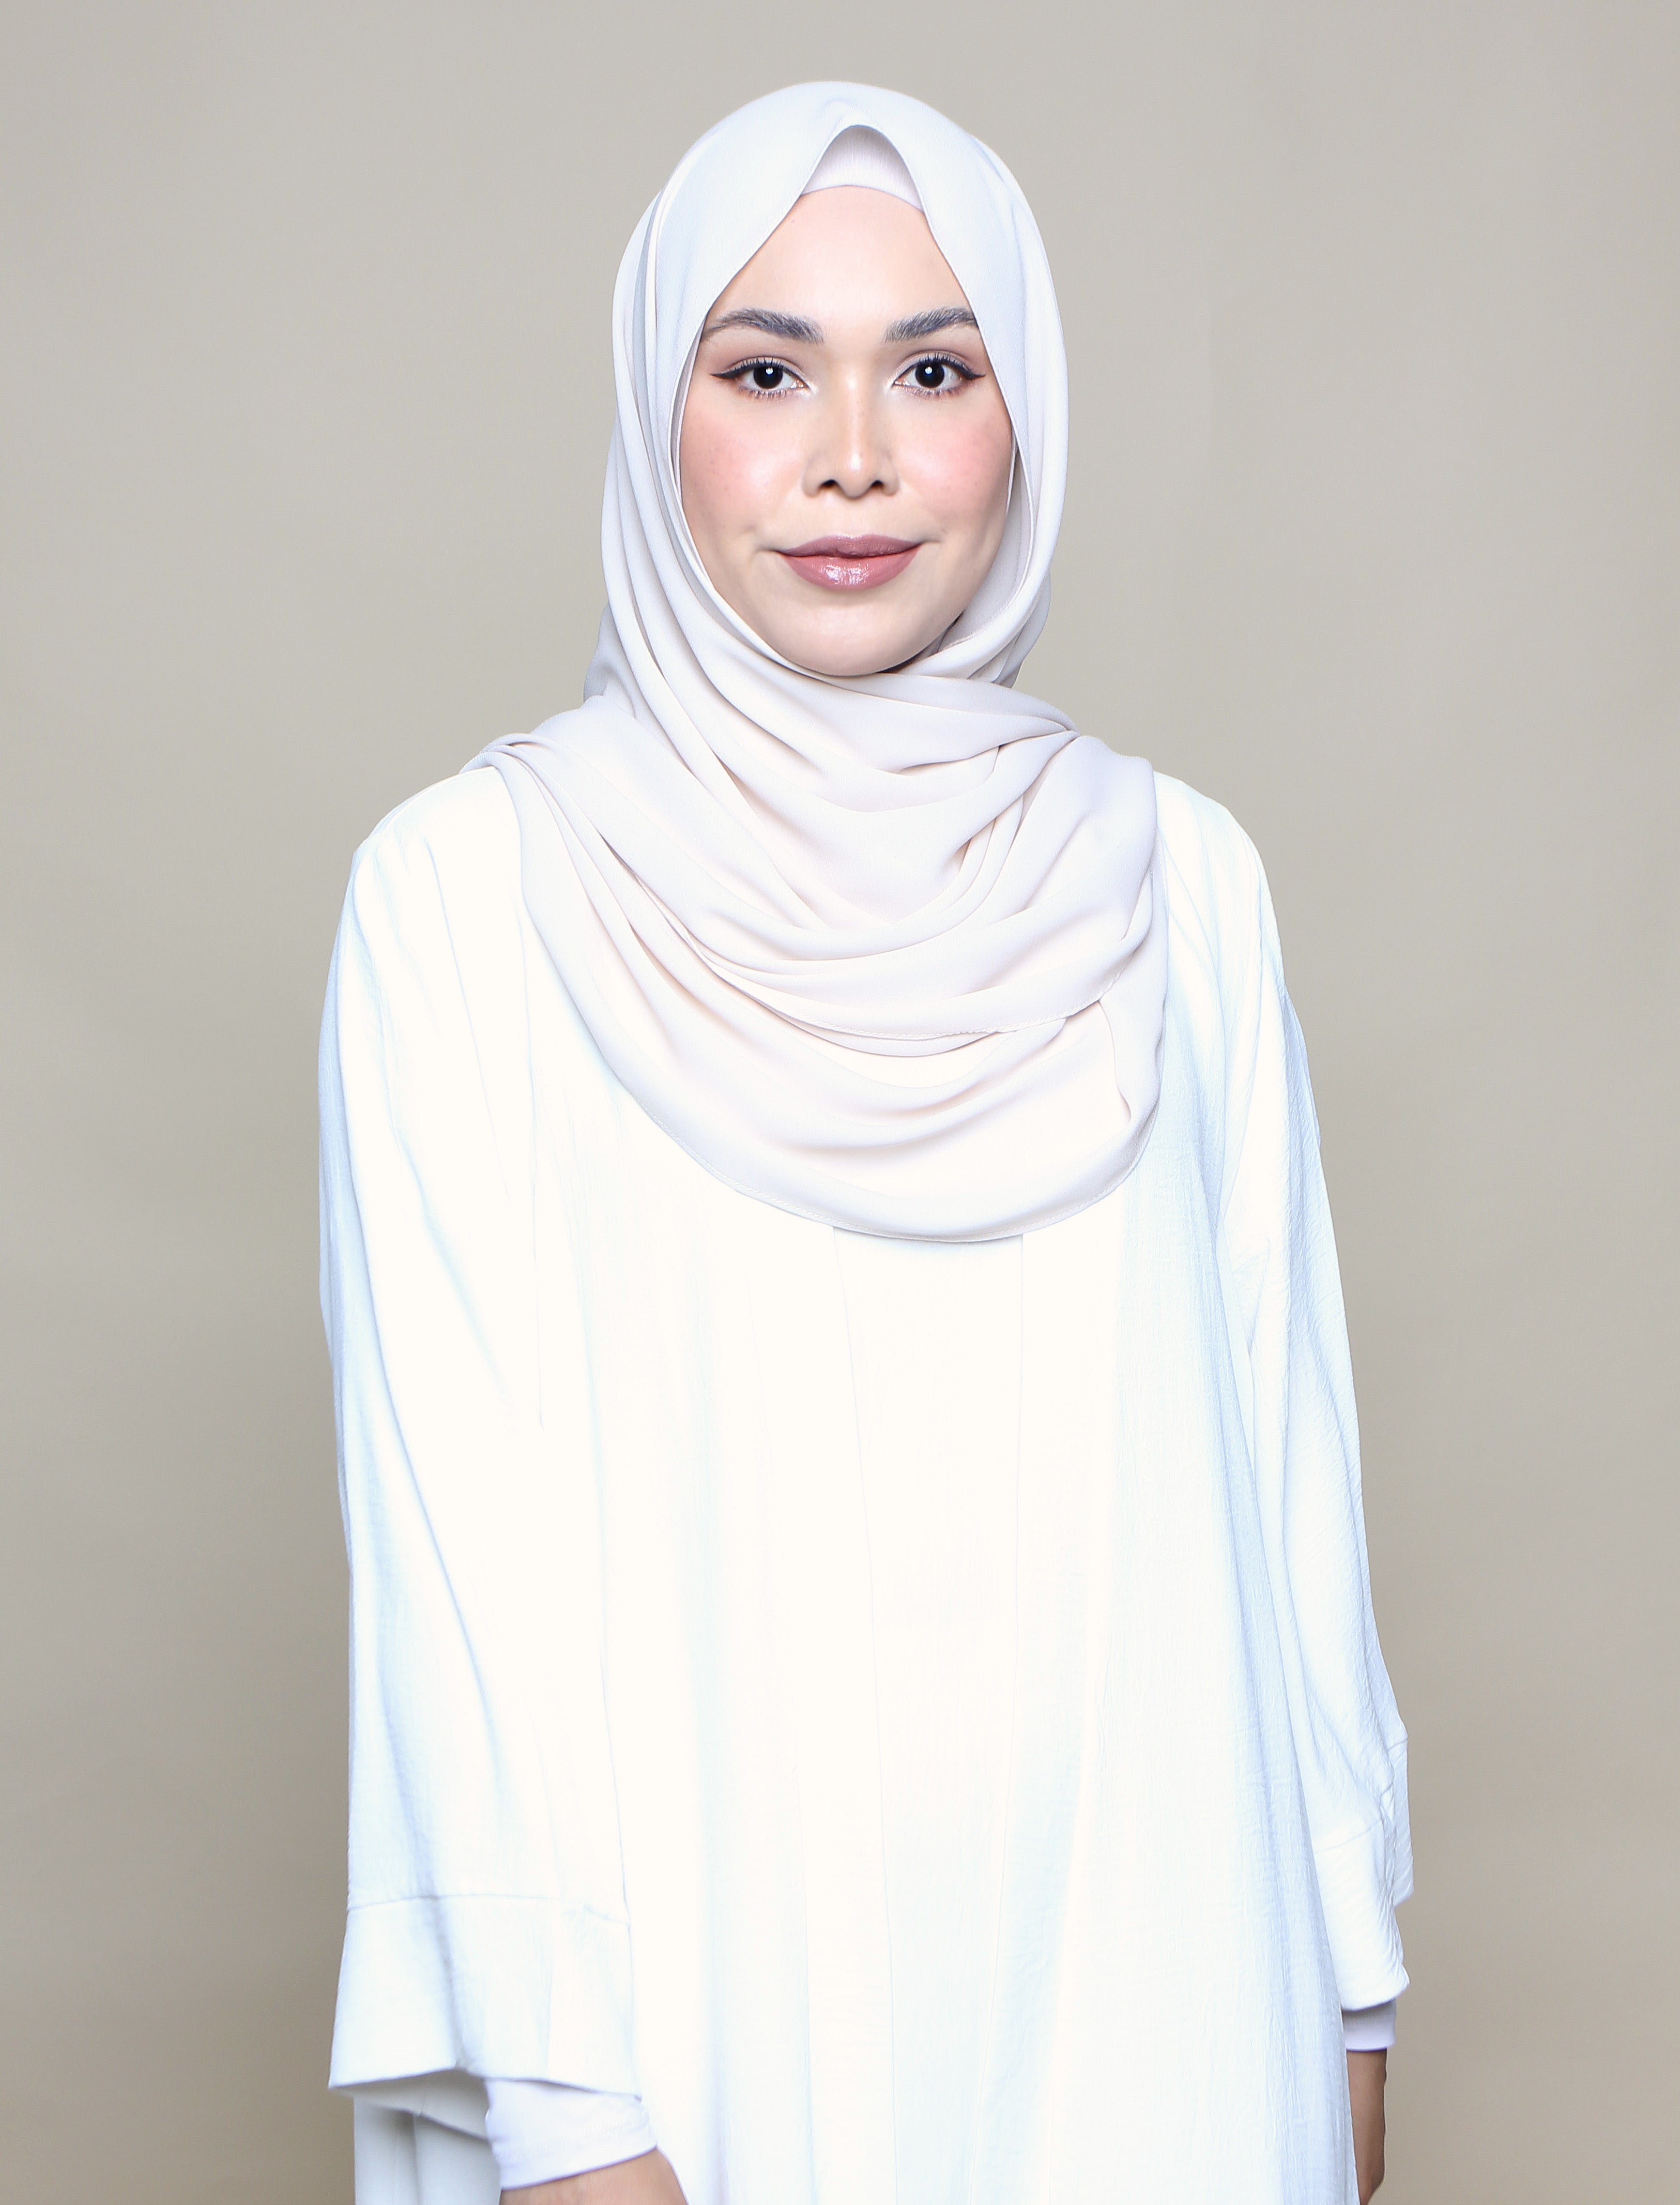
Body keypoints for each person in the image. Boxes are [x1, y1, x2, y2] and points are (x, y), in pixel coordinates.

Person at [318, 82, 1410, 2205]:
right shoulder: (465, 892)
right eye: (762, 371)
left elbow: (1289, 1470)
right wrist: (567, 2115)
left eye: (933, 369)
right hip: (694, 2020)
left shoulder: (1180, 877)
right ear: (657, 415)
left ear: (1027, 414)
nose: (851, 455)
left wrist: (1351, 1987)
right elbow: (460, 1562)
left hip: (1171, 1984)